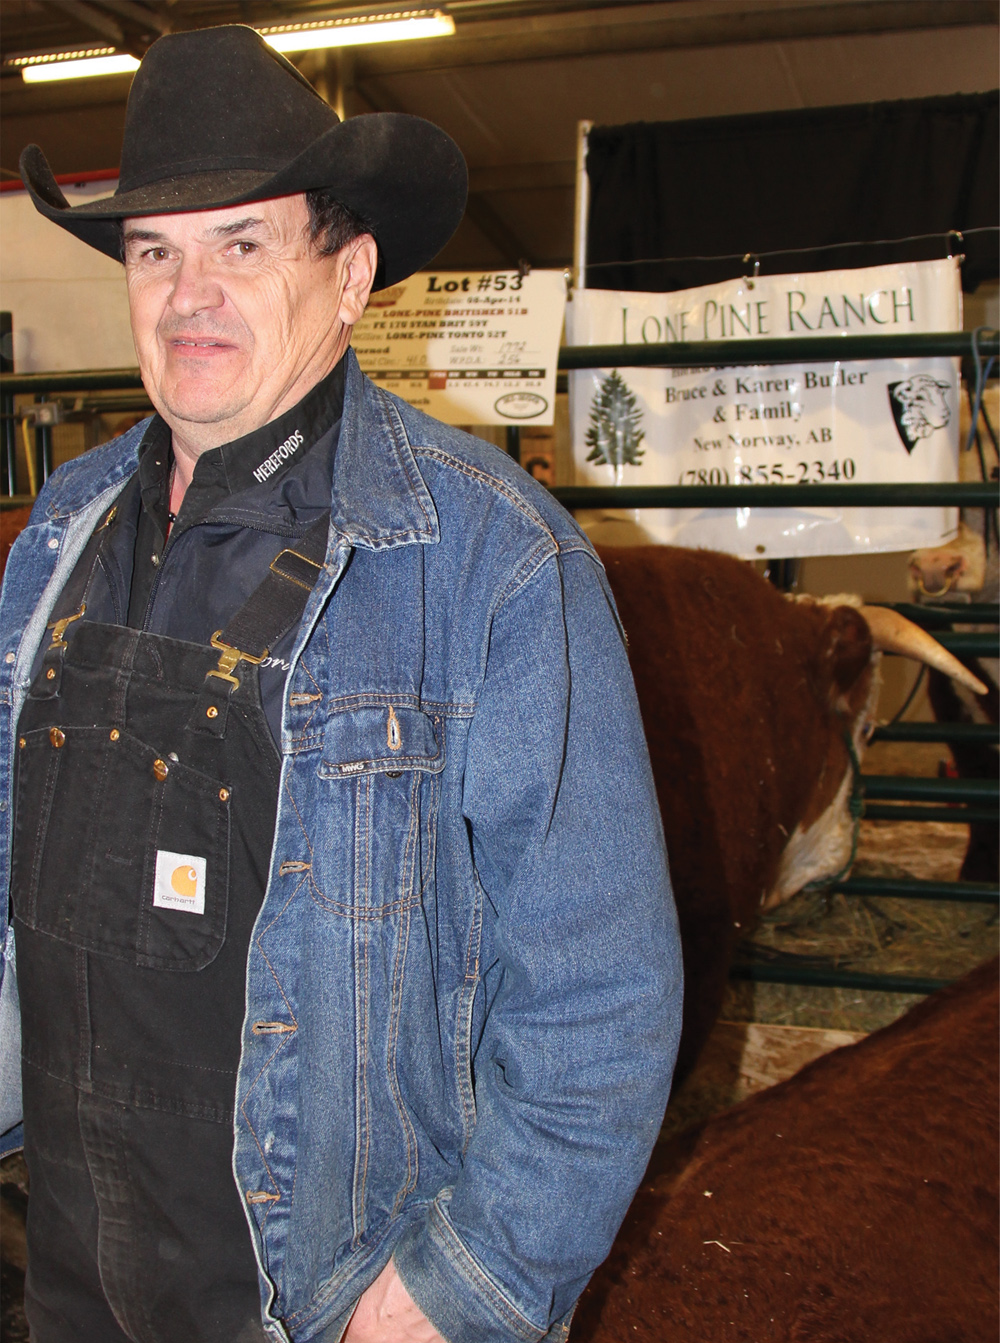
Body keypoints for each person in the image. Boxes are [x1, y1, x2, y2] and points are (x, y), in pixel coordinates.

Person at [0, 24, 682, 1343]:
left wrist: (454, 1294)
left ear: (350, 271)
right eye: (156, 250)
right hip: (78, 1277)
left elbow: (602, 1002)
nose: (188, 292)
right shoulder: (60, 532)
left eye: (242, 245)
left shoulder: (489, 562)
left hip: (321, 1299)